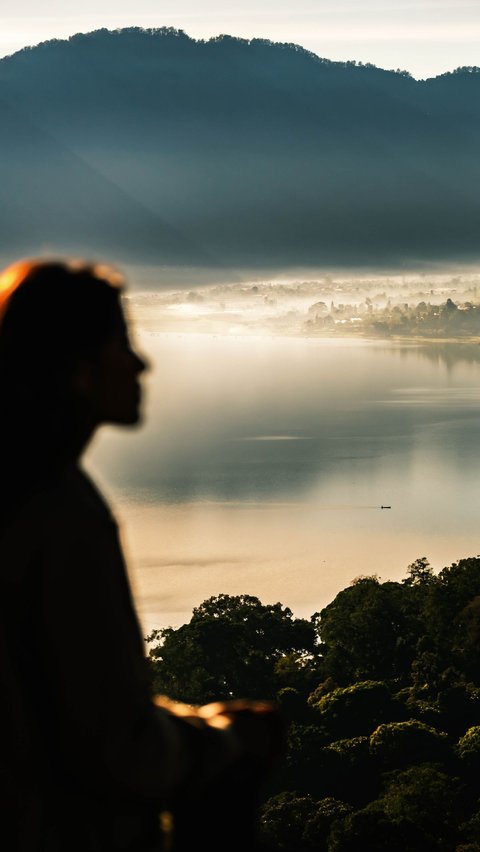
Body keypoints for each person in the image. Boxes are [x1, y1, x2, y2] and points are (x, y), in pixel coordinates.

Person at [0, 259, 283, 852]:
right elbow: (118, 751)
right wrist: (225, 737)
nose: (141, 363)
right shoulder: (58, 514)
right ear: (77, 369)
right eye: (121, 343)